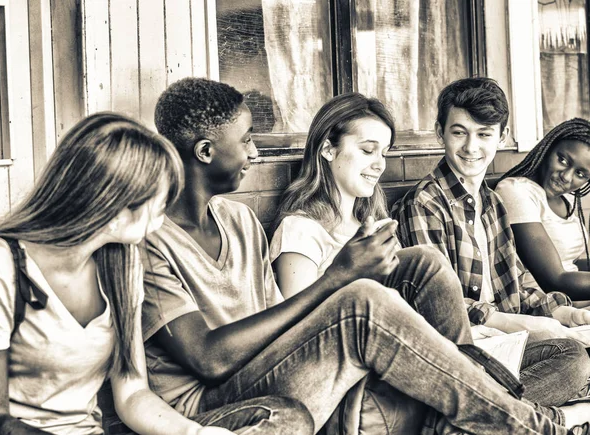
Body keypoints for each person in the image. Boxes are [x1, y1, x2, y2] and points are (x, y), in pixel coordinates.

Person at [141, 76, 590, 434]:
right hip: (214, 398)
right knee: (363, 302)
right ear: (205, 151)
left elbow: (277, 319)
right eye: (247, 140)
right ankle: (522, 424)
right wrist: (337, 280)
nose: (255, 152)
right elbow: (208, 359)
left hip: (270, 366)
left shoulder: (238, 220)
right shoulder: (150, 240)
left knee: (422, 263)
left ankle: (463, 417)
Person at [0, 112, 314, 435]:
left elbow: (132, 394)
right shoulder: (1, 265)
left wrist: (194, 433)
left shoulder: (121, 263)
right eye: (160, 203)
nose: (164, 216)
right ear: (116, 203)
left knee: (287, 419)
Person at [391, 77, 590, 408]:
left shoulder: (493, 203)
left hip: (505, 344)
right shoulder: (424, 204)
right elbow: (440, 309)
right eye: (459, 132)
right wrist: (515, 322)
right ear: (440, 132)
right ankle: (475, 414)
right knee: (573, 362)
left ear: (502, 136)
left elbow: (516, 284)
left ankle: (482, 413)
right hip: (459, 350)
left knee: (573, 353)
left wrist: (561, 312)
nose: (472, 147)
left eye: (484, 134)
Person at [495, 118, 590, 302]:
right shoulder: (516, 191)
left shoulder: (569, 199)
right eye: (562, 160)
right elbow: (554, 281)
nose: (566, 177)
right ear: (547, 149)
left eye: (580, 174)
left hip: (579, 305)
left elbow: (571, 263)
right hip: (542, 307)